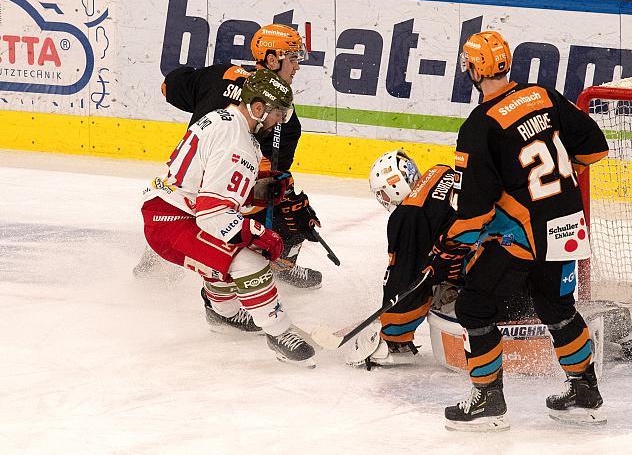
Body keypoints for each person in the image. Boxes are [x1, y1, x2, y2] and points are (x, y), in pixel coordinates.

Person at [424, 31, 609, 431]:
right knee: (556, 306)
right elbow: (595, 149)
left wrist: (450, 246)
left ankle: (488, 400)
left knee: (474, 305)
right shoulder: (543, 95)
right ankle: (585, 391)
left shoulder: (480, 125)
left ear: (473, 69)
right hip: (568, 225)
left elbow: (474, 211)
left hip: (526, 236)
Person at [140, 69, 316, 368]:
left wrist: (258, 188)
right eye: (277, 115)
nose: (278, 123)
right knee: (249, 260)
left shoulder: (225, 118)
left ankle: (223, 314)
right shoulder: (238, 143)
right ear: (258, 108)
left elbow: (209, 184)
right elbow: (213, 215)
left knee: (220, 256)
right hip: (174, 219)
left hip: (168, 209)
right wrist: (261, 234)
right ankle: (278, 332)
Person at [135, 23, 323, 292]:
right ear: (272, 59)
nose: (297, 67)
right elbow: (265, 183)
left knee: (182, 204)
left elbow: (170, 86)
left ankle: (154, 259)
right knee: (290, 211)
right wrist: (285, 195)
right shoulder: (285, 119)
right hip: (222, 196)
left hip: (182, 187)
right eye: (292, 59)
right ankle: (280, 265)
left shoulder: (220, 73)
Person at [345, 150, 460, 369]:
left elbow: (403, 274)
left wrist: (392, 331)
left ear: (395, 185)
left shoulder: (407, 217)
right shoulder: (437, 177)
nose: (383, 200)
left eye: (383, 193)